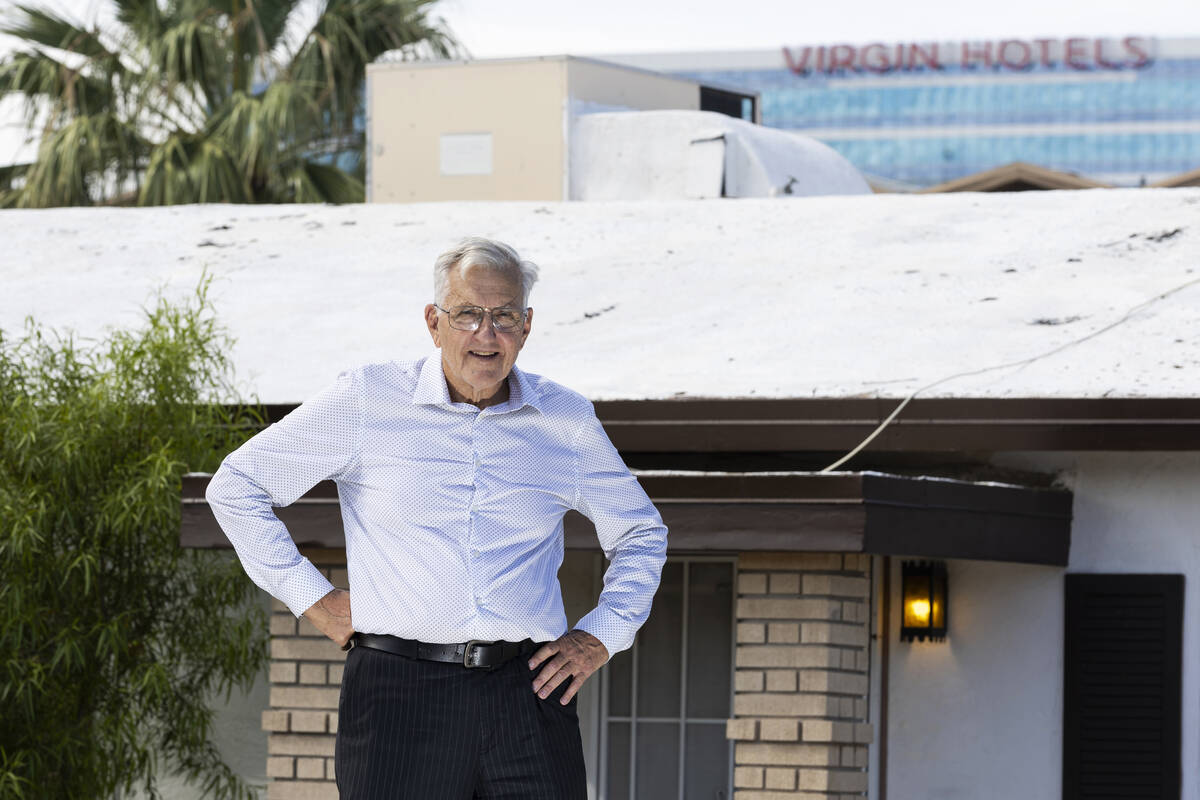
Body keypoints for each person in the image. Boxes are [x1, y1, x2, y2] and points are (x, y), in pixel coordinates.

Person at [205, 236, 669, 798]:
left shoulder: (564, 419)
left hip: (528, 696)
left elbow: (641, 532)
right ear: (434, 321)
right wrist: (315, 599)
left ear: (526, 327)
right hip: (399, 695)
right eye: (468, 314)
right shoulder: (367, 400)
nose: (486, 333)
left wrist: (600, 637)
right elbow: (236, 486)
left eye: (503, 316)